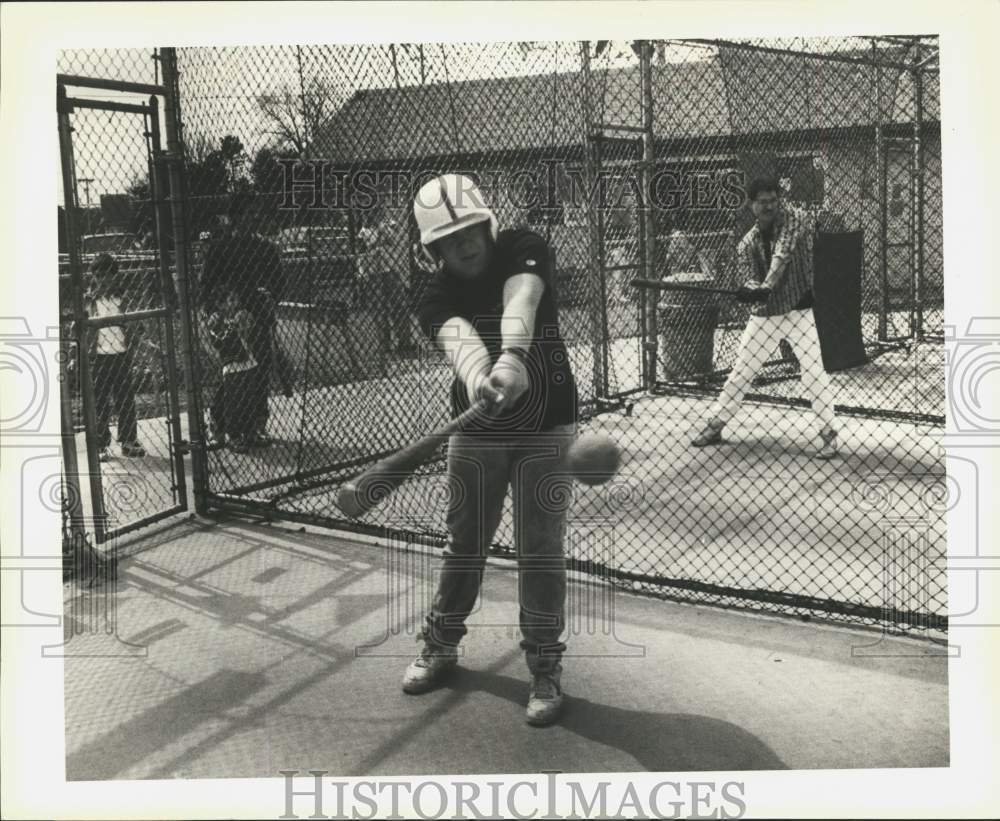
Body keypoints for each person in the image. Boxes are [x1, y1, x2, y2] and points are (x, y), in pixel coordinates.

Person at [403, 173, 579, 727]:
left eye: (471, 230)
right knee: (465, 543)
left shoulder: (525, 247)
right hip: (477, 429)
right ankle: (441, 643)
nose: (465, 244)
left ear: (487, 223)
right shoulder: (433, 293)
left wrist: (512, 358)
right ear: (433, 250)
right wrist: (482, 374)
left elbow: (520, 300)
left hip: (547, 423)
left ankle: (545, 665)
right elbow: (458, 339)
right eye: (449, 240)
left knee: (540, 547)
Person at [691, 177, 838, 459]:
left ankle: (828, 433)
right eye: (762, 202)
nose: (769, 206)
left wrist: (766, 285)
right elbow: (748, 277)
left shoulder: (794, 217)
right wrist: (750, 289)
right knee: (741, 372)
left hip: (798, 309)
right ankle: (716, 424)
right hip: (766, 315)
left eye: (773, 200)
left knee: (813, 372)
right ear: (752, 205)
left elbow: (782, 253)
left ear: (779, 200)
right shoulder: (747, 242)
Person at [200, 193, 286, 445]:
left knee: (259, 372)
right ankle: (220, 421)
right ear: (235, 218)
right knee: (235, 374)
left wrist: (271, 297)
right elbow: (206, 286)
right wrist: (215, 312)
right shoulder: (221, 248)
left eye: (256, 214)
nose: (254, 219)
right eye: (248, 214)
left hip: (258, 317)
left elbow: (279, 282)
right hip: (230, 322)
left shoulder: (264, 248)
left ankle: (254, 426)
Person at [85, 253, 145, 461]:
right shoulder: (90, 301)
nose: (102, 280)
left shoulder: (123, 298)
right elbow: (82, 329)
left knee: (125, 398)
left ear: (115, 276)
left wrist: (133, 342)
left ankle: (128, 440)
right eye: (98, 276)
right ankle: (101, 444)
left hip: (121, 354)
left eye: (106, 276)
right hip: (99, 357)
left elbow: (137, 327)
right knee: (100, 401)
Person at [205, 286, 258, 454]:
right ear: (221, 304)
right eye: (230, 300)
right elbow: (218, 342)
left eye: (236, 299)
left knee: (246, 400)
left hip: (247, 363)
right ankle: (228, 435)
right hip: (230, 366)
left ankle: (248, 432)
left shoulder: (242, 314)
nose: (236, 303)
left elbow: (249, 333)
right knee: (228, 402)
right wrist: (231, 326)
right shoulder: (217, 319)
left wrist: (242, 324)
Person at [357, 213, 415, 356]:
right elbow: (362, 250)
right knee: (379, 310)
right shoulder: (363, 231)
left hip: (389, 269)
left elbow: (391, 240)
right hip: (372, 273)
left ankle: (405, 343)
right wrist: (361, 271)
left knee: (399, 304)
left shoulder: (388, 223)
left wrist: (381, 229)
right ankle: (385, 346)